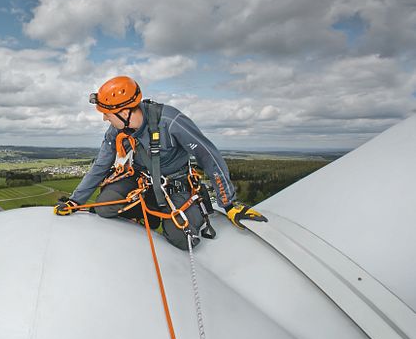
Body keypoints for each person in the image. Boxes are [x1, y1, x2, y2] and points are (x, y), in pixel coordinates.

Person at [54, 76, 266, 250]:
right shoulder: (118, 129)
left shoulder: (170, 121)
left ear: (125, 112)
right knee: (104, 207)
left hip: (176, 184)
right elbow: (101, 165)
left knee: (182, 240)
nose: (105, 120)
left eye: (107, 114)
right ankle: (149, 213)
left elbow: (208, 155)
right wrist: (76, 201)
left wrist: (228, 204)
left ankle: (172, 211)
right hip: (141, 181)